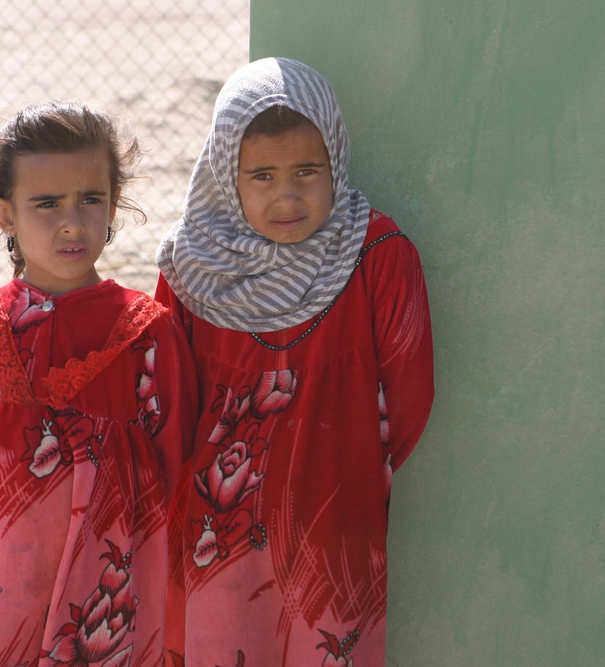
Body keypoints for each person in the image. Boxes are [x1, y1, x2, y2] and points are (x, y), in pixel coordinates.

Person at [0, 101, 197, 667]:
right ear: (6, 214)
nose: (72, 222)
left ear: (113, 204)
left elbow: (171, 449)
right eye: (47, 204)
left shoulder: (147, 332)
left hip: (106, 583)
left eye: (90, 199)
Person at [155, 58, 435, 665]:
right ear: (225, 176)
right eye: (261, 175)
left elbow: (409, 401)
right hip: (214, 531)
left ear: (336, 158)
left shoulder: (378, 255)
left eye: (308, 171)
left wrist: (344, 472)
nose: (287, 195)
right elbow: (167, 400)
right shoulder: (190, 267)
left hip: (332, 527)